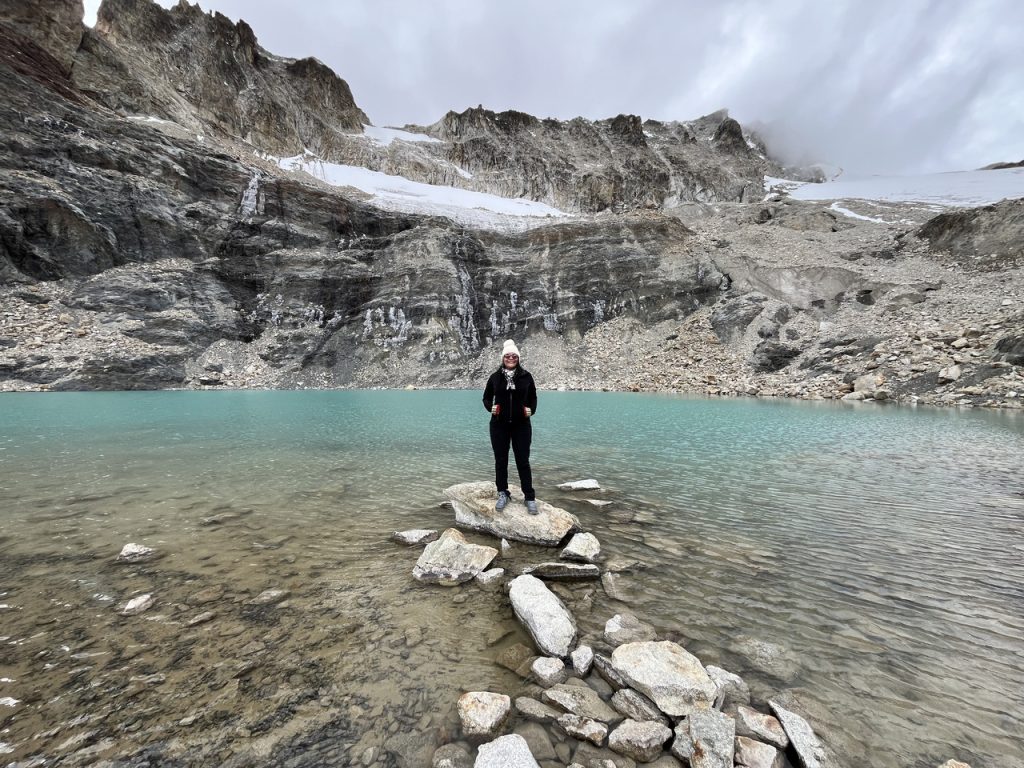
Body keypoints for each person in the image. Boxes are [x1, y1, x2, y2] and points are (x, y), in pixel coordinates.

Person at [482, 339, 539, 514]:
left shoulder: (526, 376)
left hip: (521, 425)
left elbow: (533, 398)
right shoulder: (495, 377)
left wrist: (531, 410)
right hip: (499, 425)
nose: (511, 358)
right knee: (501, 460)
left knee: (523, 460)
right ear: (503, 358)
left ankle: (529, 497)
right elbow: (486, 397)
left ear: (518, 358)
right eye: (508, 356)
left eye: (514, 356)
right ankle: (503, 493)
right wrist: (489, 407)